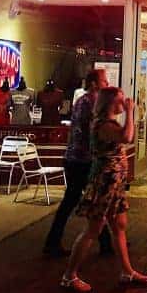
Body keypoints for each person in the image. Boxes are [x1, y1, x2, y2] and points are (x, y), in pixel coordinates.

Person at [60, 87, 147, 292]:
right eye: (120, 100)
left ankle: (127, 271)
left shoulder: (109, 123)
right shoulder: (104, 125)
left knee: (119, 225)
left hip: (114, 182)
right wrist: (130, 112)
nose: (124, 103)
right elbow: (127, 137)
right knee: (94, 229)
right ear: (110, 103)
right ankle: (69, 276)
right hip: (104, 182)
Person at [44, 69, 113, 257]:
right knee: (81, 200)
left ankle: (106, 242)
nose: (107, 84)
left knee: (87, 199)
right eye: (104, 81)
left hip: (77, 158)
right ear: (94, 84)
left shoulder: (84, 101)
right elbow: (91, 131)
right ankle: (53, 243)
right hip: (81, 160)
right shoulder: (90, 102)